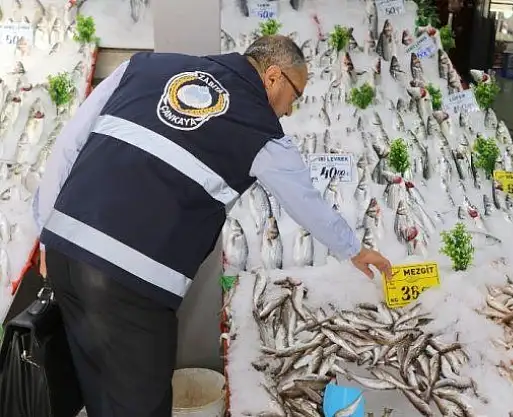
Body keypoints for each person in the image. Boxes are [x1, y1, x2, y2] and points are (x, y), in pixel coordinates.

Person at [31, 35, 392, 417]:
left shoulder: (143, 66)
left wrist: (46, 234)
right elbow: (306, 203)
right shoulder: (260, 128)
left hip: (65, 253)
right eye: (295, 95)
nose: (289, 110)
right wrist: (354, 250)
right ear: (273, 77)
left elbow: (69, 143)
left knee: (101, 395)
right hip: (127, 280)